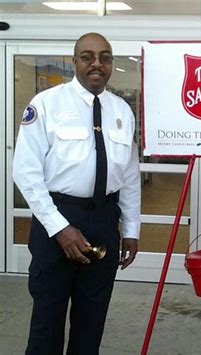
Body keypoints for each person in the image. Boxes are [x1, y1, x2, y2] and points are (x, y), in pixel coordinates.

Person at [12, 32, 141, 355]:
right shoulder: (46, 104)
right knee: (47, 322)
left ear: (111, 63)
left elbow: (129, 175)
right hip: (57, 219)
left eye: (105, 57)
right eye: (87, 56)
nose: (97, 63)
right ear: (75, 62)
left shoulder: (122, 111)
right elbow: (25, 172)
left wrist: (131, 230)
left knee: (91, 322)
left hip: (104, 220)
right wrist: (60, 228)